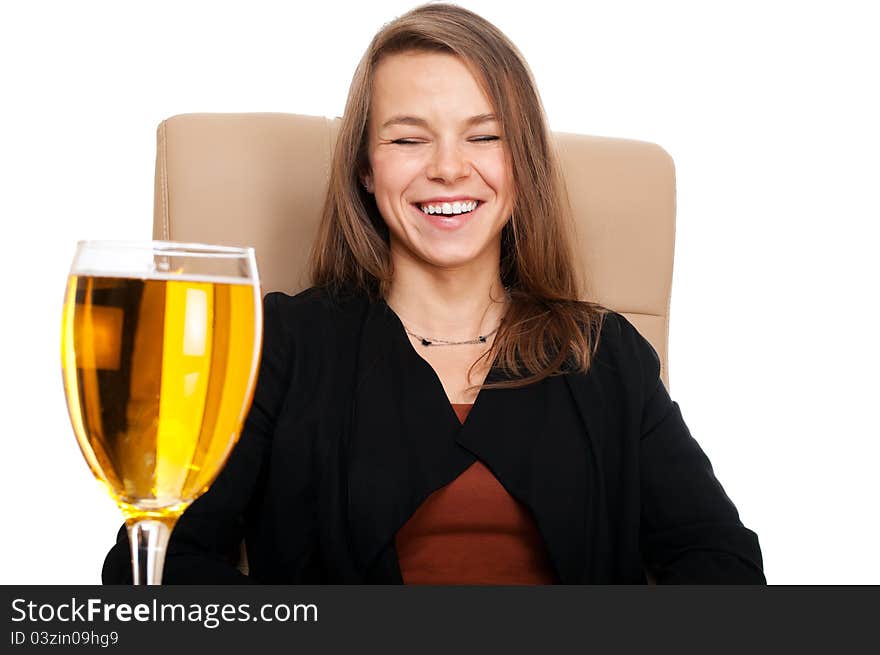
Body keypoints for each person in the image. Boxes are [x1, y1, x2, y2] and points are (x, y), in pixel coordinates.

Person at [103, 2, 765, 584]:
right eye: (409, 138)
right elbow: (155, 565)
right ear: (366, 166)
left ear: (521, 162)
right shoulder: (280, 346)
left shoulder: (605, 353)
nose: (449, 166)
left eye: (484, 136)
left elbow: (724, 564)